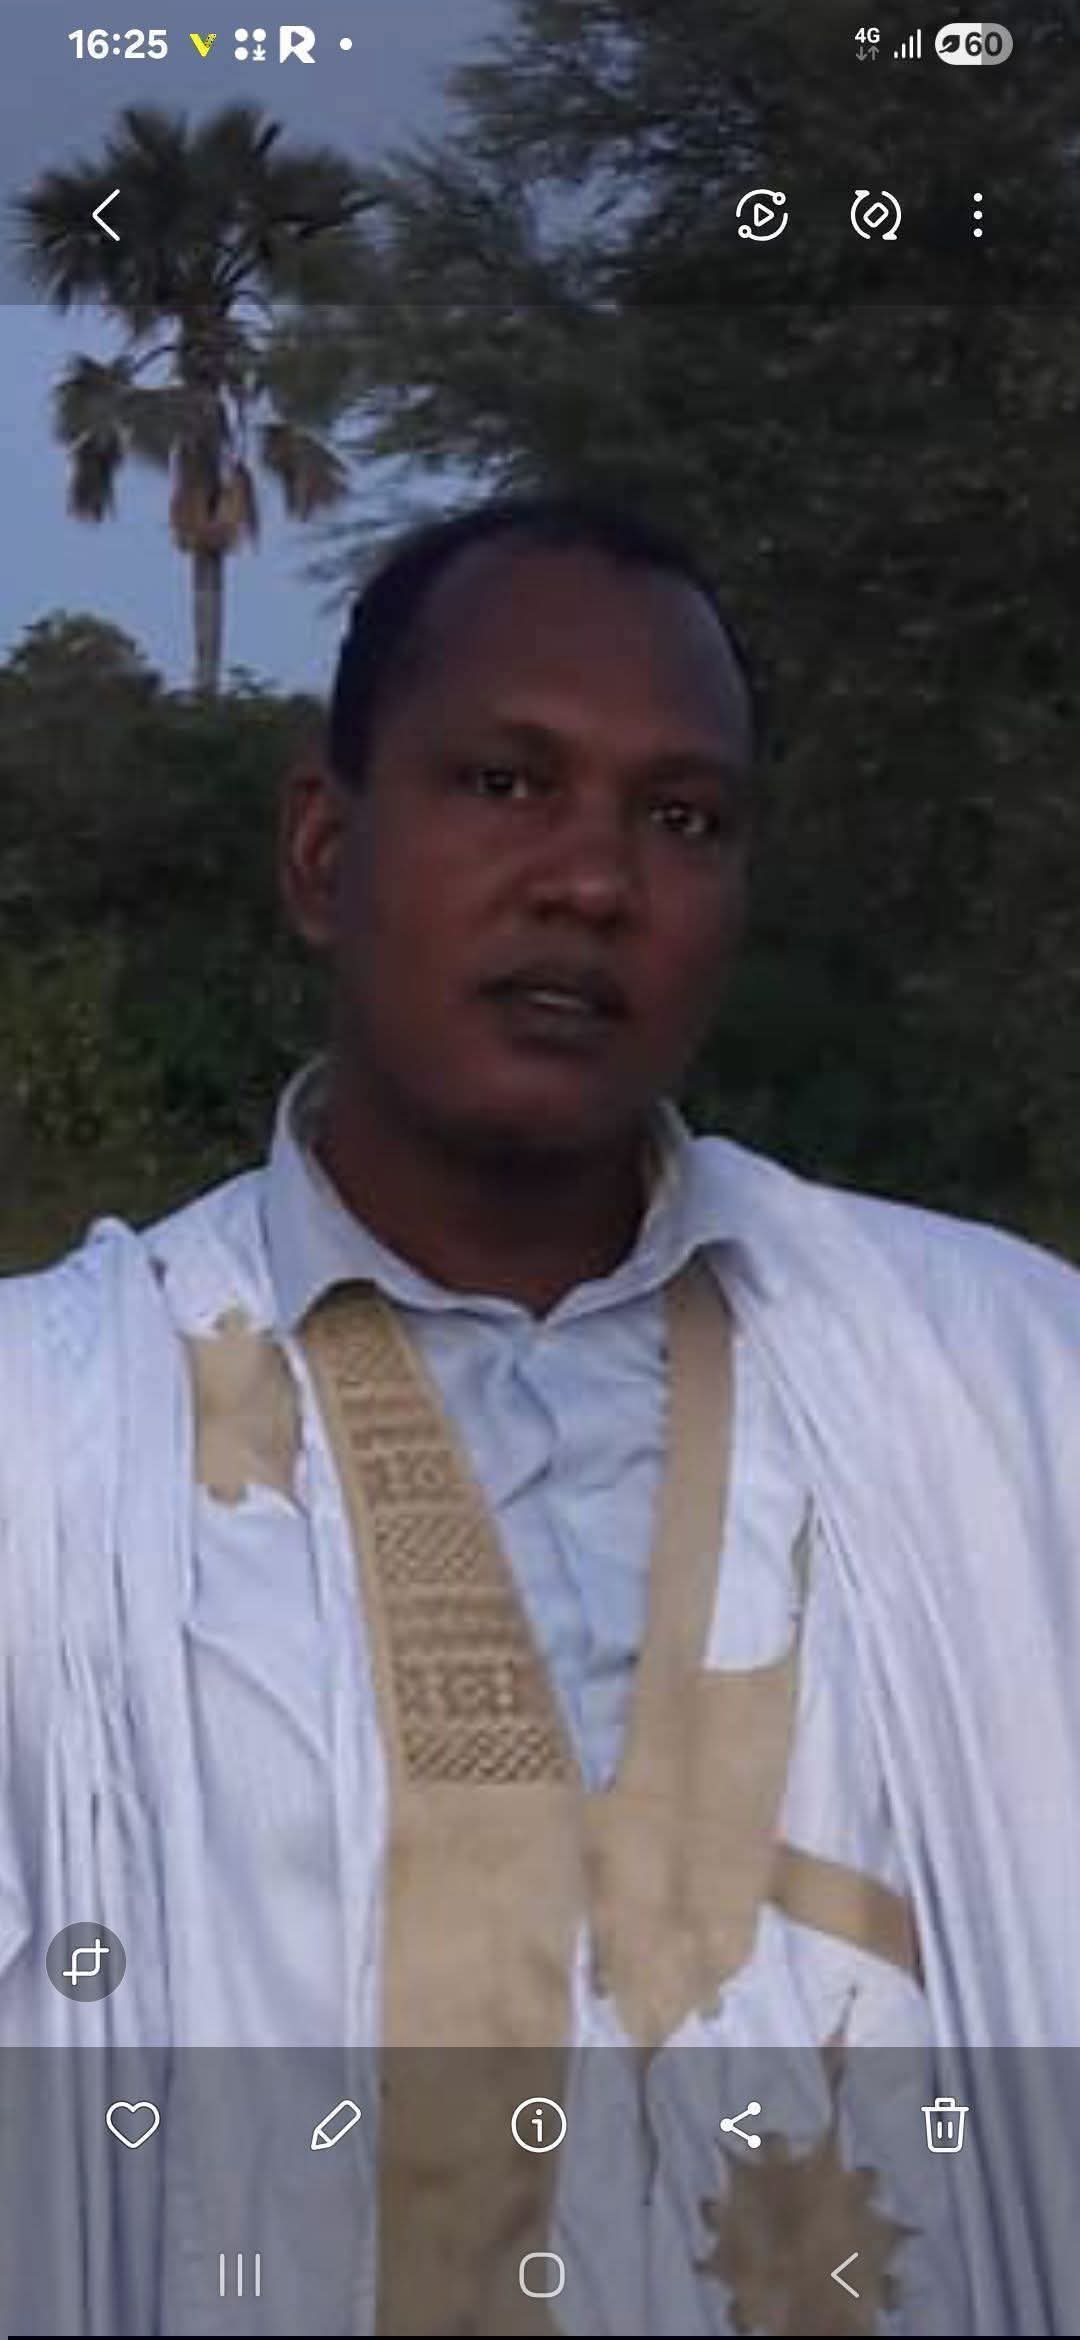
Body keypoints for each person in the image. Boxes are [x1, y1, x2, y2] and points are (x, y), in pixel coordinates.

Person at [0, 493, 1078, 2337]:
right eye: (505, 783)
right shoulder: (46, 1441)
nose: (595, 879)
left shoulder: (1003, 1386)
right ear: (323, 851)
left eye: (684, 818)